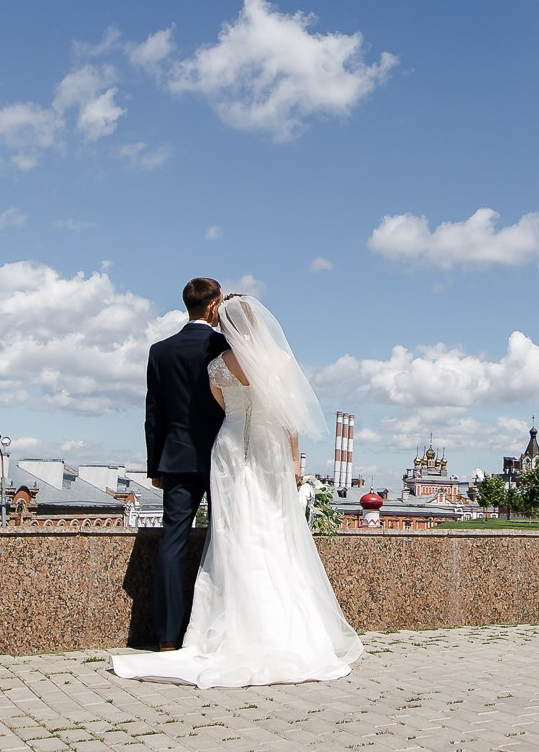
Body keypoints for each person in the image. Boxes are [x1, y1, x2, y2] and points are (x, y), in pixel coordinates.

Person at [114, 293, 362, 687]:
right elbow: (289, 418)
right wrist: (295, 462)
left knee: (228, 534)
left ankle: (180, 635)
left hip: (224, 452)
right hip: (268, 452)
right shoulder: (279, 363)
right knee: (273, 531)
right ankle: (281, 626)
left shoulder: (214, 365)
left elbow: (210, 408)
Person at [142, 276, 232, 651]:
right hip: (224, 459)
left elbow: (153, 415)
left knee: (172, 543)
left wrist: (155, 466)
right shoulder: (225, 346)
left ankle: (166, 637)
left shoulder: (160, 350)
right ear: (213, 306)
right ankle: (220, 632)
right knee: (227, 541)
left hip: (176, 459)